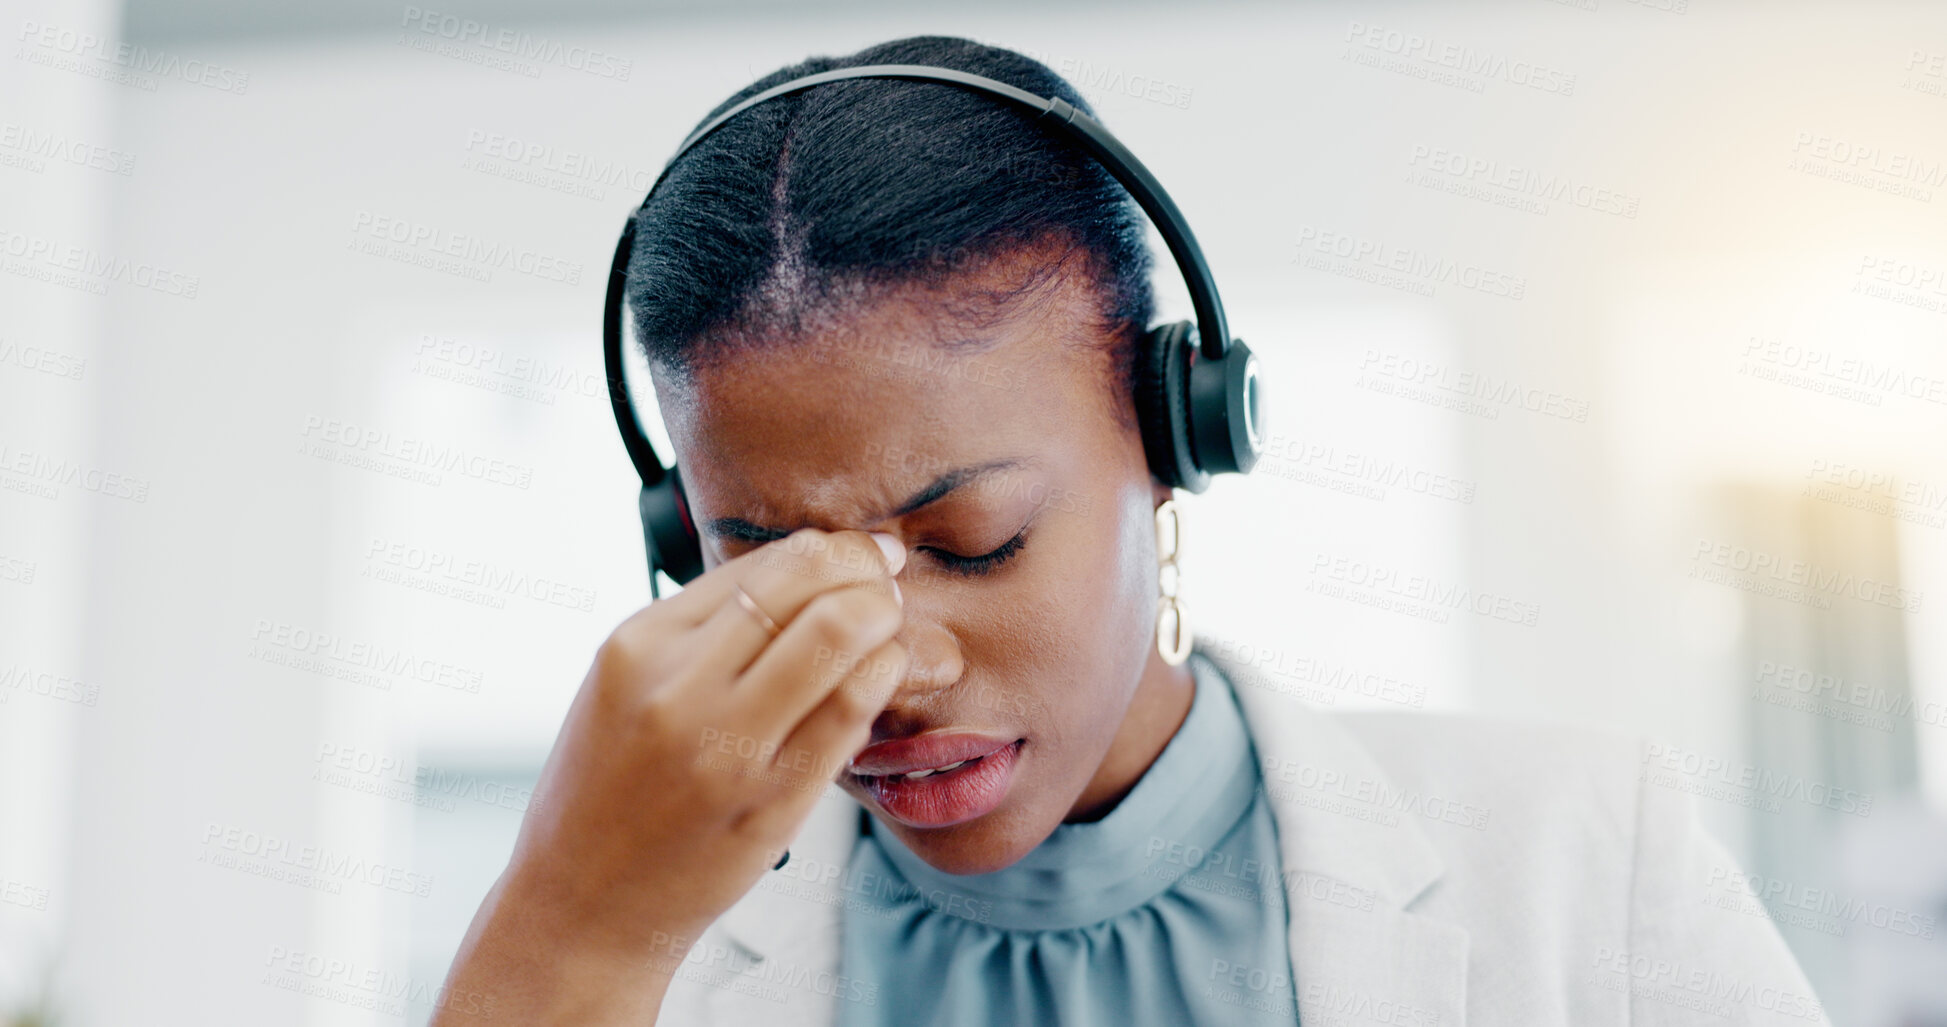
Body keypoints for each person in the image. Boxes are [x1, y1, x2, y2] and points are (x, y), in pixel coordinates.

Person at [435, 35, 1827, 1026]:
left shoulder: (1587, 858)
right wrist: (567, 932)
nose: (892, 672)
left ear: (1174, 446)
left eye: (973, 539)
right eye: (772, 560)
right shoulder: (617, 969)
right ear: (682, 536)